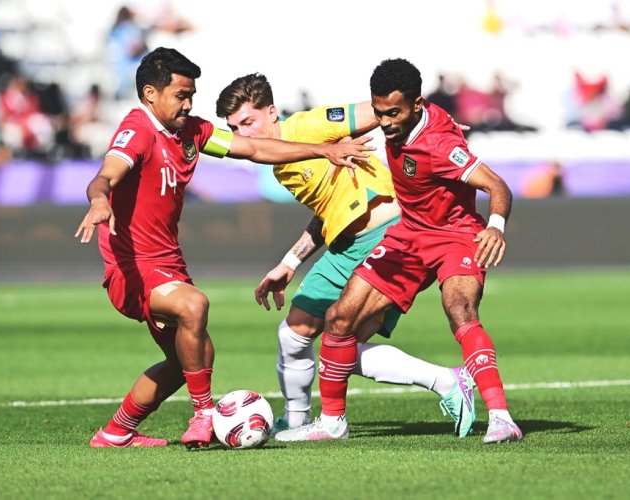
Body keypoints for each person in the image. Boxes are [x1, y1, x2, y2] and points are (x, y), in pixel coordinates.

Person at [75, 48, 374, 449]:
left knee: (188, 361)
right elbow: (106, 174)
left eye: (191, 95)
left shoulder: (192, 132)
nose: (188, 104)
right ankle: (204, 415)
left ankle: (115, 432)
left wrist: (323, 149)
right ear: (150, 93)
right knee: (194, 306)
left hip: (167, 263)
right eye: (180, 95)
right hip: (133, 267)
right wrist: (99, 198)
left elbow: (254, 149)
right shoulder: (138, 129)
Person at [215, 73, 477, 439]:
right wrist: (290, 262)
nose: (244, 134)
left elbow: (381, 108)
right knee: (293, 335)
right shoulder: (279, 164)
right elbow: (327, 212)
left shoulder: (310, 125)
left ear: (272, 111)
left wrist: (434, 118)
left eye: (248, 122)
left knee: (342, 343)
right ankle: (296, 422)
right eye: (234, 128)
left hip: (386, 237)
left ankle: (448, 382)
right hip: (343, 247)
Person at [275, 58, 523, 444]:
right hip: (408, 234)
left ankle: (502, 418)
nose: (386, 122)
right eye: (380, 113)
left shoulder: (440, 145)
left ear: (417, 105)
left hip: (455, 235)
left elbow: (497, 186)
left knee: (461, 311)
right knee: (340, 319)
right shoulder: (403, 120)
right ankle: (332, 423)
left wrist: (495, 226)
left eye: (395, 113)